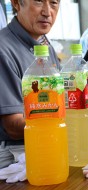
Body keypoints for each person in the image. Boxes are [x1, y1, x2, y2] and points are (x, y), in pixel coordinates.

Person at [0, 0, 60, 169]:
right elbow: (13, 125)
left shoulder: (44, 46)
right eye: (39, 1)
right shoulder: (3, 49)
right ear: (17, 3)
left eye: (54, 3)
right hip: (13, 154)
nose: (47, 12)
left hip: (45, 142)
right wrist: (60, 122)